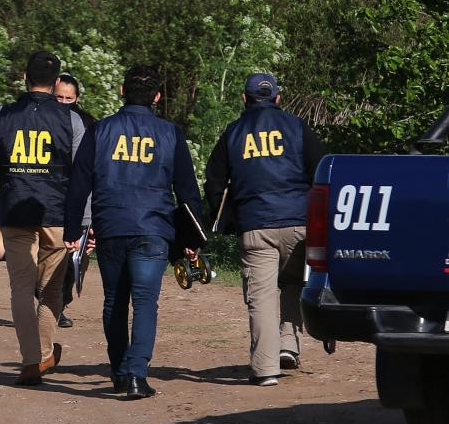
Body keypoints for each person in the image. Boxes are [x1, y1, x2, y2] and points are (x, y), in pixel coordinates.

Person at [64, 65, 203, 400]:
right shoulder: (171, 133)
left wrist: (71, 230)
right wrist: (192, 241)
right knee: (145, 302)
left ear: (122, 92)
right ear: (157, 97)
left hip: (111, 226)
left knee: (115, 300)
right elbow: (187, 191)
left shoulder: (100, 131)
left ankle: (118, 374)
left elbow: (78, 183)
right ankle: (137, 374)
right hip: (154, 228)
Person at [204, 73, 327, 386]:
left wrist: (228, 221)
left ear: (245, 99)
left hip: (256, 226)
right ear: (277, 98)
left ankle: (266, 368)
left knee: (261, 297)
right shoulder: (298, 127)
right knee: (295, 283)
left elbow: (215, 183)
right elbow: (322, 171)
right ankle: (289, 343)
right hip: (299, 222)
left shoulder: (233, 133)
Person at [0, 50, 78, 386]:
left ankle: (32, 359)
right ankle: (44, 352)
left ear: (25, 77)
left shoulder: (2, 115)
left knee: (21, 287)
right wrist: (84, 218)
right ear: (56, 83)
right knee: (51, 289)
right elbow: (82, 174)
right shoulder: (71, 120)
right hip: (57, 212)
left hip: (16, 208)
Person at [55, 73, 95, 328]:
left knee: (77, 259)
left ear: (77, 98)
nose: (64, 102)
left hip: (81, 198)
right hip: (51, 199)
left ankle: (62, 301)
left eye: (69, 98)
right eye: (59, 97)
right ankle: (51, 304)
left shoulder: (88, 123)